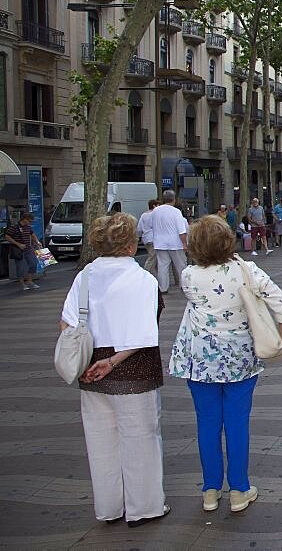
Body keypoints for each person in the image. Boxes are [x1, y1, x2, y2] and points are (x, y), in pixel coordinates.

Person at [169, 216, 282, 514]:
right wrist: (277, 338)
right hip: (239, 358)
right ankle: (239, 489)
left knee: (207, 423)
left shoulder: (188, 276)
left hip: (198, 360)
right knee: (237, 422)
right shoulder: (246, 271)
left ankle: (210, 490)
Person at [60, 212, 168, 527]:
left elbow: (67, 323)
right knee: (141, 437)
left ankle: (109, 507)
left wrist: (87, 363)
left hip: (90, 367)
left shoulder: (83, 277)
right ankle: (143, 507)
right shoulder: (143, 280)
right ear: (131, 245)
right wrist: (113, 362)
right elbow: (145, 332)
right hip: (132, 367)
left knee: (100, 440)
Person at [150, 191, 189, 293]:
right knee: (181, 265)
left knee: (162, 266)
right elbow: (182, 230)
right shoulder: (176, 212)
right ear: (174, 199)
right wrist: (184, 244)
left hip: (160, 243)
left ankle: (163, 288)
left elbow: (151, 225)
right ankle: (183, 286)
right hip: (175, 243)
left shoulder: (155, 211)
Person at [5, 212, 42, 291]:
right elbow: (7, 237)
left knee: (33, 263)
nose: (30, 223)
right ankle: (22, 283)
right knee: (20, 267)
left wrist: (37, 242)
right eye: (29, 221)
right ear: (24, 219)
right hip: (18, 250)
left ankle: (29, 281)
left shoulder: (28, 227)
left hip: (28, 249)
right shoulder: (14, 227)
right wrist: (18, 244)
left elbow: (32, 234)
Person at [136, 199, 159, 275]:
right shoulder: (155, 214)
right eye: (158, 205)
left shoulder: (143, 215)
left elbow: (139, 228)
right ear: (154, 205)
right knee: (152, 259)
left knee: (154, 258)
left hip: (146, 238)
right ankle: (145, 273)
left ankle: (155, 277)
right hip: (154, 238)